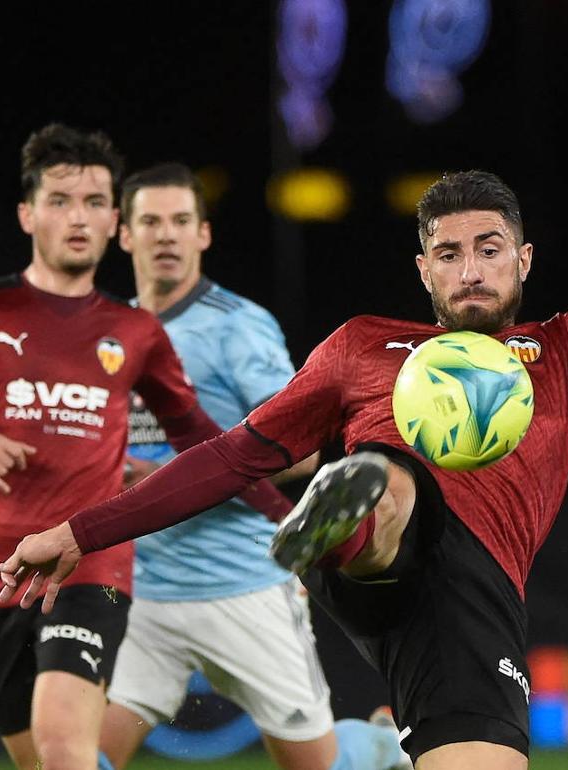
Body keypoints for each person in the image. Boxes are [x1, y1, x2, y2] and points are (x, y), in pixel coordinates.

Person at [0, 66, 568, 770]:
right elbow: (235, 456)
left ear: (523, 260)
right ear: (422, 269)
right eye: (448, 252)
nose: (468, 270)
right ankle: (350, 515)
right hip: (375, 547)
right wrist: (79, 531)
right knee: (392, 481)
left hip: (474, 594)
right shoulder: (363, 347)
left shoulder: (567, 350)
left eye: (488, 250)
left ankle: (369, 730)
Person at [0, 123, 290, 770]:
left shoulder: (135, 332)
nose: (79, 217)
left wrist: (282, 516)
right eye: (60, 200)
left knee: (64, 750)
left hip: (89, 570)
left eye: (95, 202)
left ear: (113, 224)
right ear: (27, 214)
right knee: (42, 758)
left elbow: (204, 445)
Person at [102, 162, 405, 770]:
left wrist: (168, 480)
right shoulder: (110, 334)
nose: (167, 235)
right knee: (79, 757)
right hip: (148, 597)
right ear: (124, 233)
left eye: (181, 221)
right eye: (151, 222)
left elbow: (306, 448)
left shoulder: (239, 328)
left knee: (316, 765)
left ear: (203, 235)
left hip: (243, 586)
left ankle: (377, 745)